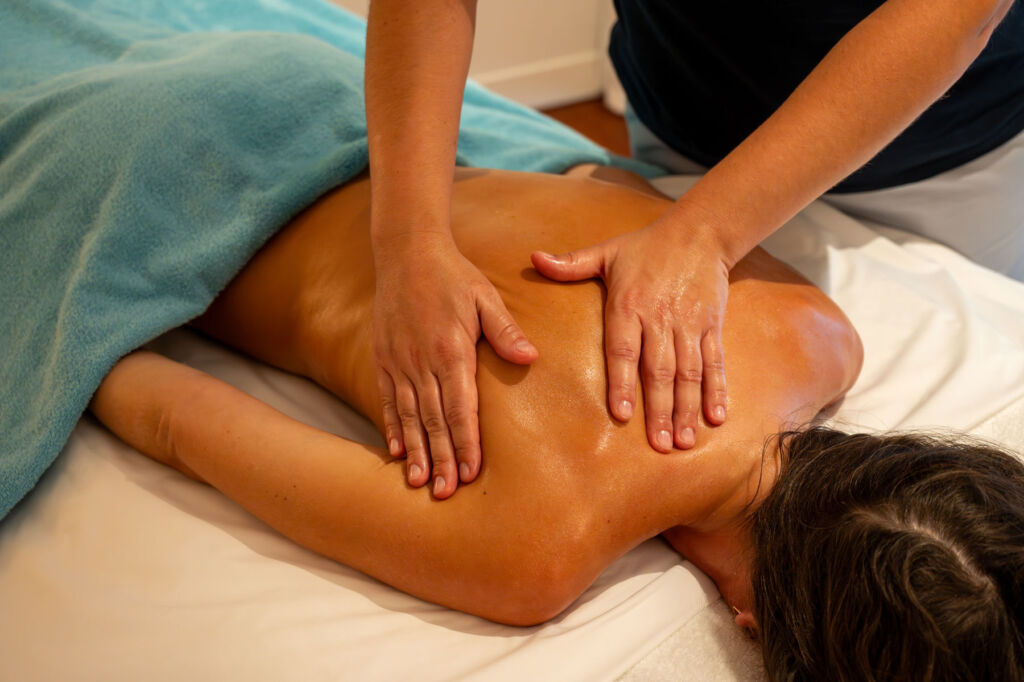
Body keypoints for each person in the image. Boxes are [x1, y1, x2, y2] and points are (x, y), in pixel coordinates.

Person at [89, 162, 1024, 679]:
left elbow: (600, 172)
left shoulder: (823, 333)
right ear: (757, 624)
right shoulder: (536, 550)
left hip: (330, 120)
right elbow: (168, 417)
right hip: (173, 191)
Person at [363, 0, 1024, 497]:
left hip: (944, 149)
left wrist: (706, 231)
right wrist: (407, 240)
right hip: (685, 115)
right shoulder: (833, 345)